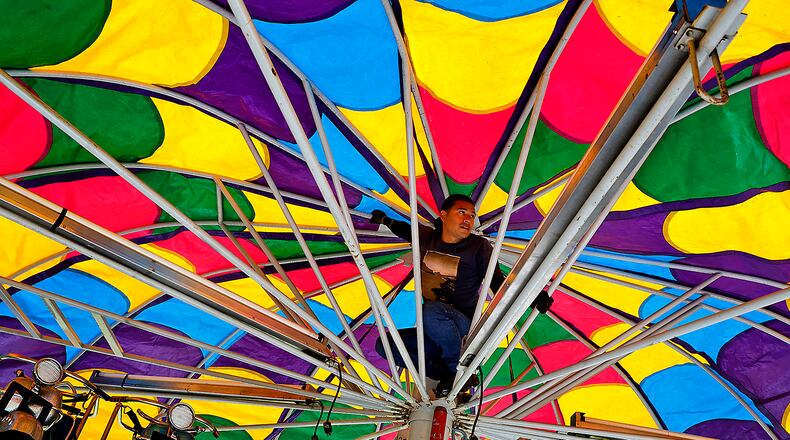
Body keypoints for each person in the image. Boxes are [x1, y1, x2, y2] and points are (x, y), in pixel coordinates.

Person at [370, 194, 506, 397]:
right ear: (443, 215)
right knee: (386, 345)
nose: (468, 219)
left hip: (464, 330)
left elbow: (497, 281)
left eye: (471, 215)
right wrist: (386, 221)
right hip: (435, 333)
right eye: (461, 212)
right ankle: (445, 373)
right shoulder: (428, 238)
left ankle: (454, 369)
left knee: (431, 310)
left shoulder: (478, 246)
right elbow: (407, 231)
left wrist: (532, 297)